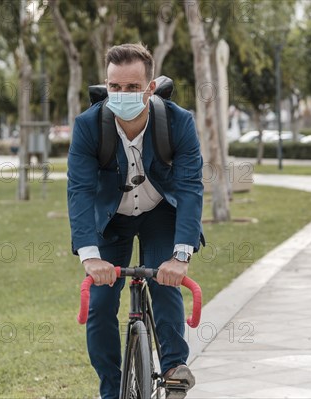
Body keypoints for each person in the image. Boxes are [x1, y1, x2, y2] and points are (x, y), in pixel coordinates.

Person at [67, 43, 204, 399]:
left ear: (150, 88)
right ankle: (111, 391)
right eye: (115, 87)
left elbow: (190, 187)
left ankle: (174, 367)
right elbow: (80, 190)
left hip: (160, 212)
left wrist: (181, 256)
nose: (122, 94)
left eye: (131, 87)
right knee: (99, 307)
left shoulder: (178, 122)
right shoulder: (87, 126)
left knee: (165, 280)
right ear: (106, 85)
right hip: (112, 219)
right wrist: (89, 255)